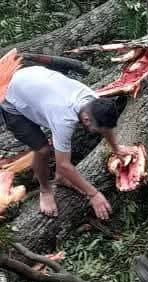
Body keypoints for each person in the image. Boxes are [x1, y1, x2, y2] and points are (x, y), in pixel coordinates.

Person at [0, 65, 131, 219]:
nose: (97, 131)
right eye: (96, 129)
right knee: (42, 150)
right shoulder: (64, 119)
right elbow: (63, 165)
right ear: (86, 119)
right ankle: (45, 190)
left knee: (59, 147)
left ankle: (61, 179)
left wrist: (116, 148)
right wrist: (94, 194)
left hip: (30, 80)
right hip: (10, 97)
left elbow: (105, 126)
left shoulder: (93, 101)